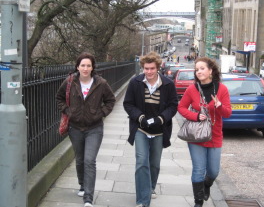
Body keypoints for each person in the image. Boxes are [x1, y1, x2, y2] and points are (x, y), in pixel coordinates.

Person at [56, 52, 116, 207]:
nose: (85, 68)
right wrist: (68, 112)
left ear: (92, 67)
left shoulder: (101, 83)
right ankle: (82, 184)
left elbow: (110, 100)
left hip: (94, 128)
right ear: (77, 66)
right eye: (83, 65)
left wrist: (101, 114)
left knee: (89, 161)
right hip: (75, 128)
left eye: (88, 65)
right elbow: (59, 98)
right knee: (80, 159)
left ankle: (88, 198)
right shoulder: (70, 81)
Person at [123, 51, 178, 207]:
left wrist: (161, 119)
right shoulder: (135, 83)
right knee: (141, 162)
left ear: (157, 68)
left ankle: (151, 187)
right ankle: (142, 200)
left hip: (160, 130)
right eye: (146, 68)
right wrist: (140, 117)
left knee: (154, 164)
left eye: (152, 68)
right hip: (140, 129)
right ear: (143, 68)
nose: (149, 72)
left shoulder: (168, 84)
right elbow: (128, 104)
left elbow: (173, 106)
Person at [178, 57, 232, 207]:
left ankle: (206, 185)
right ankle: (198, 202)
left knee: (213, 171)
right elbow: (181, 107)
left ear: (211, 71)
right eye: (196, 69)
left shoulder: (222, 89)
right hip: (196, 135)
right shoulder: (192, 89)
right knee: (198, 169)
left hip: (214, 135)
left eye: (202, 68)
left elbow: (227, 113)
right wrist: (195, 116)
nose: (199, 72)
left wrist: (219, 106)